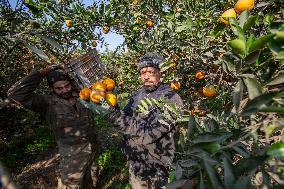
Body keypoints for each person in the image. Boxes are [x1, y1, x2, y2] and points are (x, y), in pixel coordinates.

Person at [7, 65, 99, 189]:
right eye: (59, 88)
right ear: (52, 88)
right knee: (70, 186)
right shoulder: (47, 103)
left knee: (92, 181)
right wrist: (42, 73)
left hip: (93, 147)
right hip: (72, 157)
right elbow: (15, 94)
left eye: (67, 86)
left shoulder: (81, 94)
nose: (65, 90)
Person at [106, 53, 183, 188]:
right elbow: (126, 119)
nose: (146, 76)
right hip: (135, 162)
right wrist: (113, 106)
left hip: (156, 166)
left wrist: (114, 115)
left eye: (151, 72)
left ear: (161, 73)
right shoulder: (138, 94)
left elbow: (150, 133)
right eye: (143, 73)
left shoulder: (171, 99)